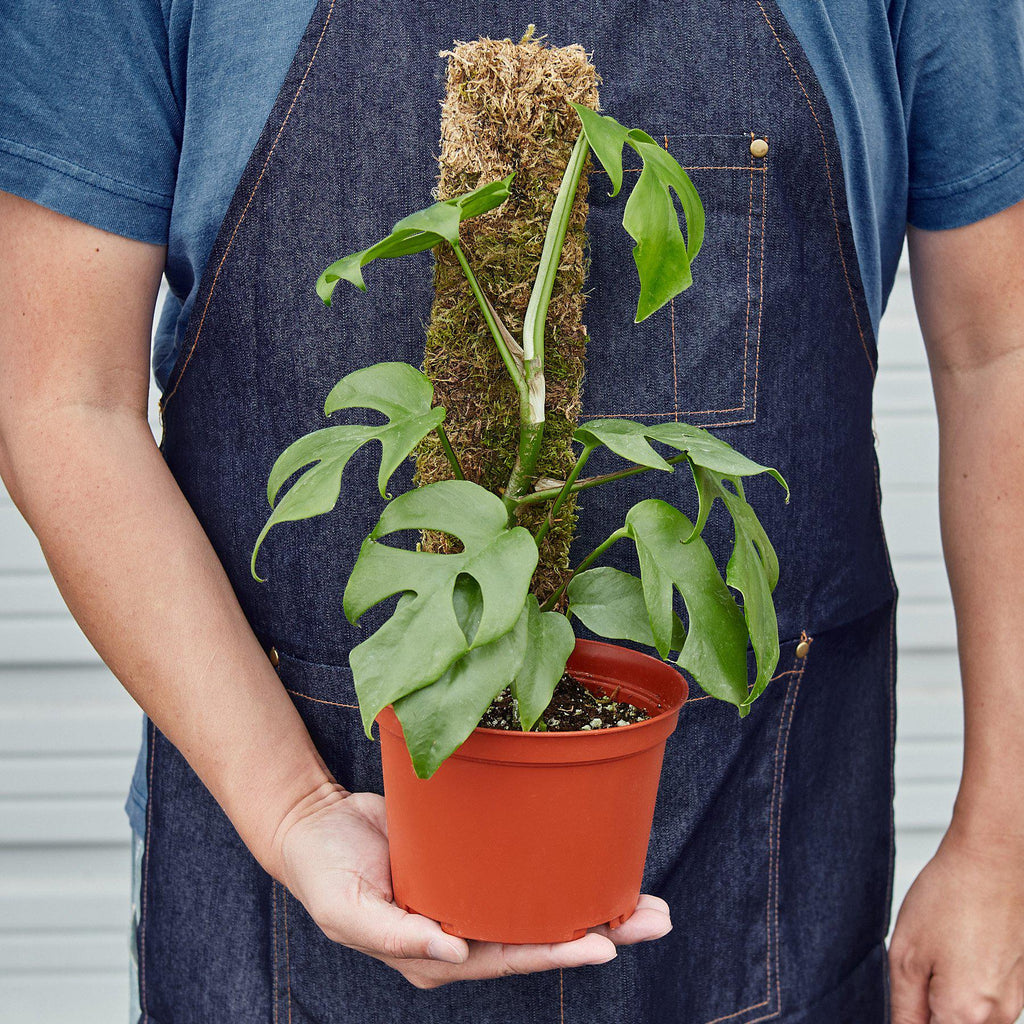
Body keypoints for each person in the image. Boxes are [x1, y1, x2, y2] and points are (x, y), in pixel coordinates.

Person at [1, 1, 1023, 1021]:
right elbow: (53, 397)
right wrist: (293, 806)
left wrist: (1003, 837)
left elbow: (1001, 350)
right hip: (287, 905)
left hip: (755, 894)